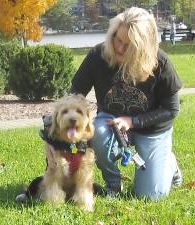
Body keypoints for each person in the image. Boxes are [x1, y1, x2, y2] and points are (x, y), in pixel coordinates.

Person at [70, 7, 183, 200]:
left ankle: (169, 163)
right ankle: (114, 184)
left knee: (150, 195)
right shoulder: (99, 55)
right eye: (118, 39)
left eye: (129, 45)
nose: (120, 48)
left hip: (153, 128)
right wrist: (71, 123)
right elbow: (75, 94)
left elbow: (171, 109)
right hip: (111, 121)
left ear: (143, 47)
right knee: (97, 130)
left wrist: (133, 121)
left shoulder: (161, 62)